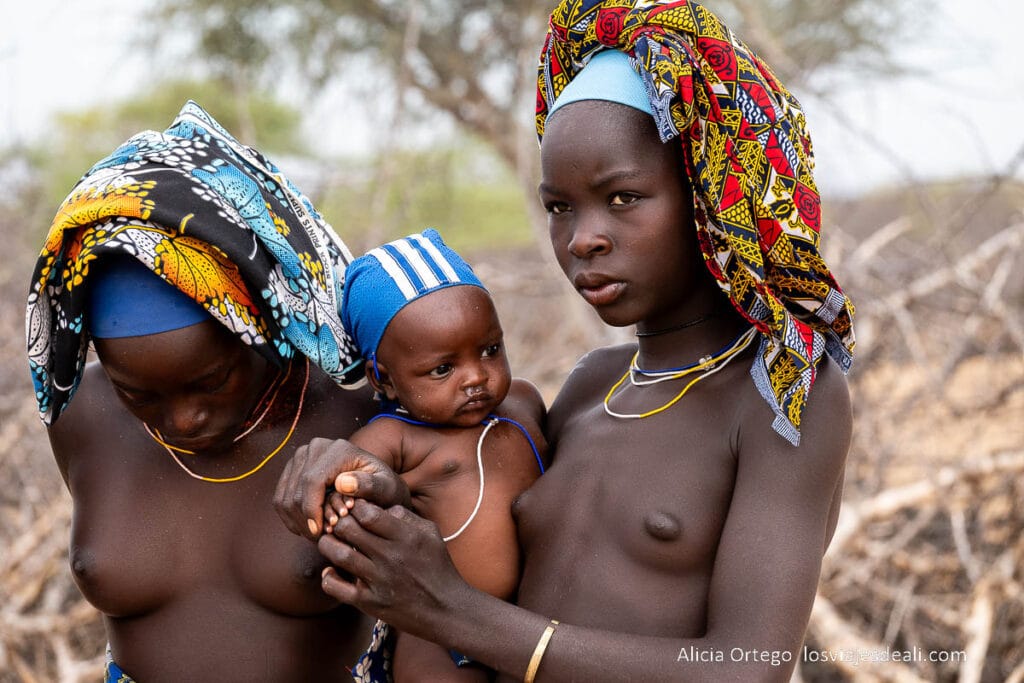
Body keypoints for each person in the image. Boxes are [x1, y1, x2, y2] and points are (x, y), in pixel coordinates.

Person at [275, 1, 856, 680]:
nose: (582, 239)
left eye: (623, 197)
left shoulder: (784, 394)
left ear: (708, 190)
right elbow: (458, 501)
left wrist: (453, 611)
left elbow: (746, 667)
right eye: (559, 207)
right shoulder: (588, 387)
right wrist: (355, 477)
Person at [25, 101, 380, 682]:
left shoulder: (355, 410)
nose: (183, 420)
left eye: (210, 382)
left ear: (257, 326)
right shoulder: (81, 416)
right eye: (137, 394)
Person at [302, 228, 547, 682]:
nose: (477, 377)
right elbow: (346, 490)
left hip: (534, 620)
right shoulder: (394, 439)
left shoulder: (524, 404)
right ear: (384, 380)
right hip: (440, 636)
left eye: (490, 350)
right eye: (443, 368)